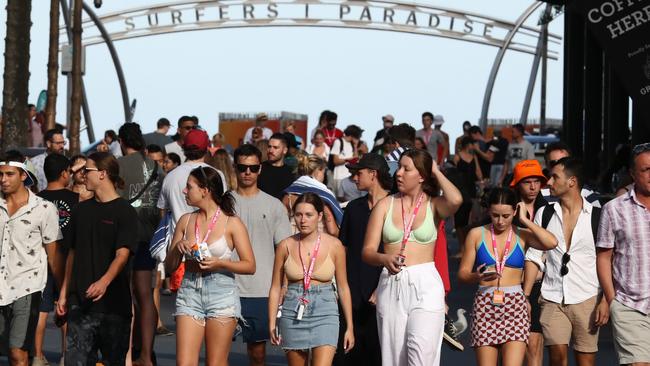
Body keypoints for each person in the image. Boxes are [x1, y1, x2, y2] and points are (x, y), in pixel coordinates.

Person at [362, 148, 463, 365]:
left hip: (425, 283)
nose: (398, 173)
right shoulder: (384, 205)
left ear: (421, 176)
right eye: (398, 167)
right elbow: (368, 251)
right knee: (394, 358)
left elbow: (456, 200)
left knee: (421, 354)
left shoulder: (434, 204)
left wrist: (434, 169)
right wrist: (384, 259)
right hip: (392, 283)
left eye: (406, 169)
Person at [164, 166, 256, 365]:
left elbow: (250, 265)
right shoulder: (185, 221)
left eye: (189, 187)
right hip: (190, 290)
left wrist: (221, 262)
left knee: (215, 362)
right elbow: (170, 267)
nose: (184, 191)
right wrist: (177, 249)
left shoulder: (232, 223)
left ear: (205, 190)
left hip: (221, 292)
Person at [458, 188, 557, 366]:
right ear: (488, 211)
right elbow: (463, 274)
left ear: (515, 212)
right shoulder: (476, 234)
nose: (500, 221)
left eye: (506, 216)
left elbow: (551, 242)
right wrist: (475, 276)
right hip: (485, 303)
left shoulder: (522, 234)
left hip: (515, 305)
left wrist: (526, 220)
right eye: (495, 215)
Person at [56, 152, 138, 365]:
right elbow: (71, 254)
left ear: (102, 174)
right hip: (80, 304)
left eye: (87, 170)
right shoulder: (80, 211)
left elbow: (123, 255)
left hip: (114, 307)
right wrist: (64, 294)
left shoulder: (125, 211)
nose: (82, 175)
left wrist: (104, 282)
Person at [525, 158, 606, 366]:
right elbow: (534, 256)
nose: (549, 182)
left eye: (554, 177)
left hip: (587, 296)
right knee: (557, 358)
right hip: (552, 296)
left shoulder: (598, 216)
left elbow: (608, 261)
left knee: (585, 362)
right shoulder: (545, 214)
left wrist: (605, 300)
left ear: (572, 181)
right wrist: (524, 296)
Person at [269, 193, 355, 364]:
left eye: (309, 215)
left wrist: (350, 327)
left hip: (325, 309)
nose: (303, 220)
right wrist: (272, 322)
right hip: (293, 308)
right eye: (298, 215)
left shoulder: (335, 246)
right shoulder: (285, 246)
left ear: (320, 216)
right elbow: (275, 287)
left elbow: (343, 287)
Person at [230, 144, 292, 366]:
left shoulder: (274, 206)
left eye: (253, 168)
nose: (247, 172)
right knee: (217, 353)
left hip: (261, 289)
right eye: (242, 167)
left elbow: (285, 249)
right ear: (234, 168)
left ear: (260, 169)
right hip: (225, 287)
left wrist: (284, 284)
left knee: (257, 354)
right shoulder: (223, 204)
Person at [0, 155, 63, 366]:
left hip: (27, 288)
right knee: (7, 353)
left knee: (18, 354)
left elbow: (53, 256)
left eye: (9, 174)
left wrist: (63, 293)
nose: (3, 179)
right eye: (0, 174)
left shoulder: (44, 209)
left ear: (23, 176)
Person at [335, 153, 393, 365]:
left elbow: (402, 253)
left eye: (358, 173)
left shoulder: (396, 206)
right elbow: (343, 248)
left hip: (384, 294)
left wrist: (382, 287)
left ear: (373, 174)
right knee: (346, 356)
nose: (354, 178)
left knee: (378, 357)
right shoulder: (353, 208)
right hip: (351, 295)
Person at [596, 142, 650, 366]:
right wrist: (612, 300)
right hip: (630, 306)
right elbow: (604, 256)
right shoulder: (614, 209)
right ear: (632, 174)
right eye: (646, 169)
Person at [117, 123, 165, 366]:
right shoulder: (157, 167)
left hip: (124, 238)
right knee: (145, 295)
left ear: (122, 142)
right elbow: (161, 206)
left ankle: (125, 355)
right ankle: (146, 354)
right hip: (149, 236)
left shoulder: (118, 166)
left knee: (125, 295)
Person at [32, 154, 80, 366]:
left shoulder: (36, 200)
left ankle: (38, 355)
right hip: (67, 259)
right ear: (64, 174)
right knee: (65, 308)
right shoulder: (75, 200)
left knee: (41, 311)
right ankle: (65, 355)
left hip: (40, 260)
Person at [510, 160, 548, 366]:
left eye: (537, 181)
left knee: (534, 343)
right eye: (527, 182)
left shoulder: (551, 209)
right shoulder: (507, 211)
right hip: (510, 283)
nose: (533, 187)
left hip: (541, 284)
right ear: (517, 184)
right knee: (511, 344)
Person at [282, 153, 343, 236]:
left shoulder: (288, 195)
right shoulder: (323, 195)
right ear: (318, 170)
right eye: (323, 172)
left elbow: (281, 223)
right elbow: (332, 230)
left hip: (294, 243)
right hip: (319, 244)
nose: (323, 176)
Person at [452, 136, 483, 258]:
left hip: (471, 190)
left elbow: (478, 172)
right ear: (467, 145)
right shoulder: (457, 156)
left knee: (473, 219)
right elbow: (453, 173)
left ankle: (468, 247)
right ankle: (461, 248)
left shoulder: (473, 157)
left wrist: (481, 182)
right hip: (460, 189)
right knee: (459, 218)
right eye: (472, 144)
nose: (474, 146)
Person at [257, 133, 296, 200]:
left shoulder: (290, 173)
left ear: (285, 150)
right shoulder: (259, 168)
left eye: (275, 147)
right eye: (269, 147)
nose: (271, 151)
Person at [330, 125, 363, 200]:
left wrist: (355, 146)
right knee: (339, 199)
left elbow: (356, 158)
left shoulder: (352, 144)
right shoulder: (338, 142)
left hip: (350, 176)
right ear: (353, 135)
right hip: (339, 176)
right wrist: (349, 159)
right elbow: (335, 161)